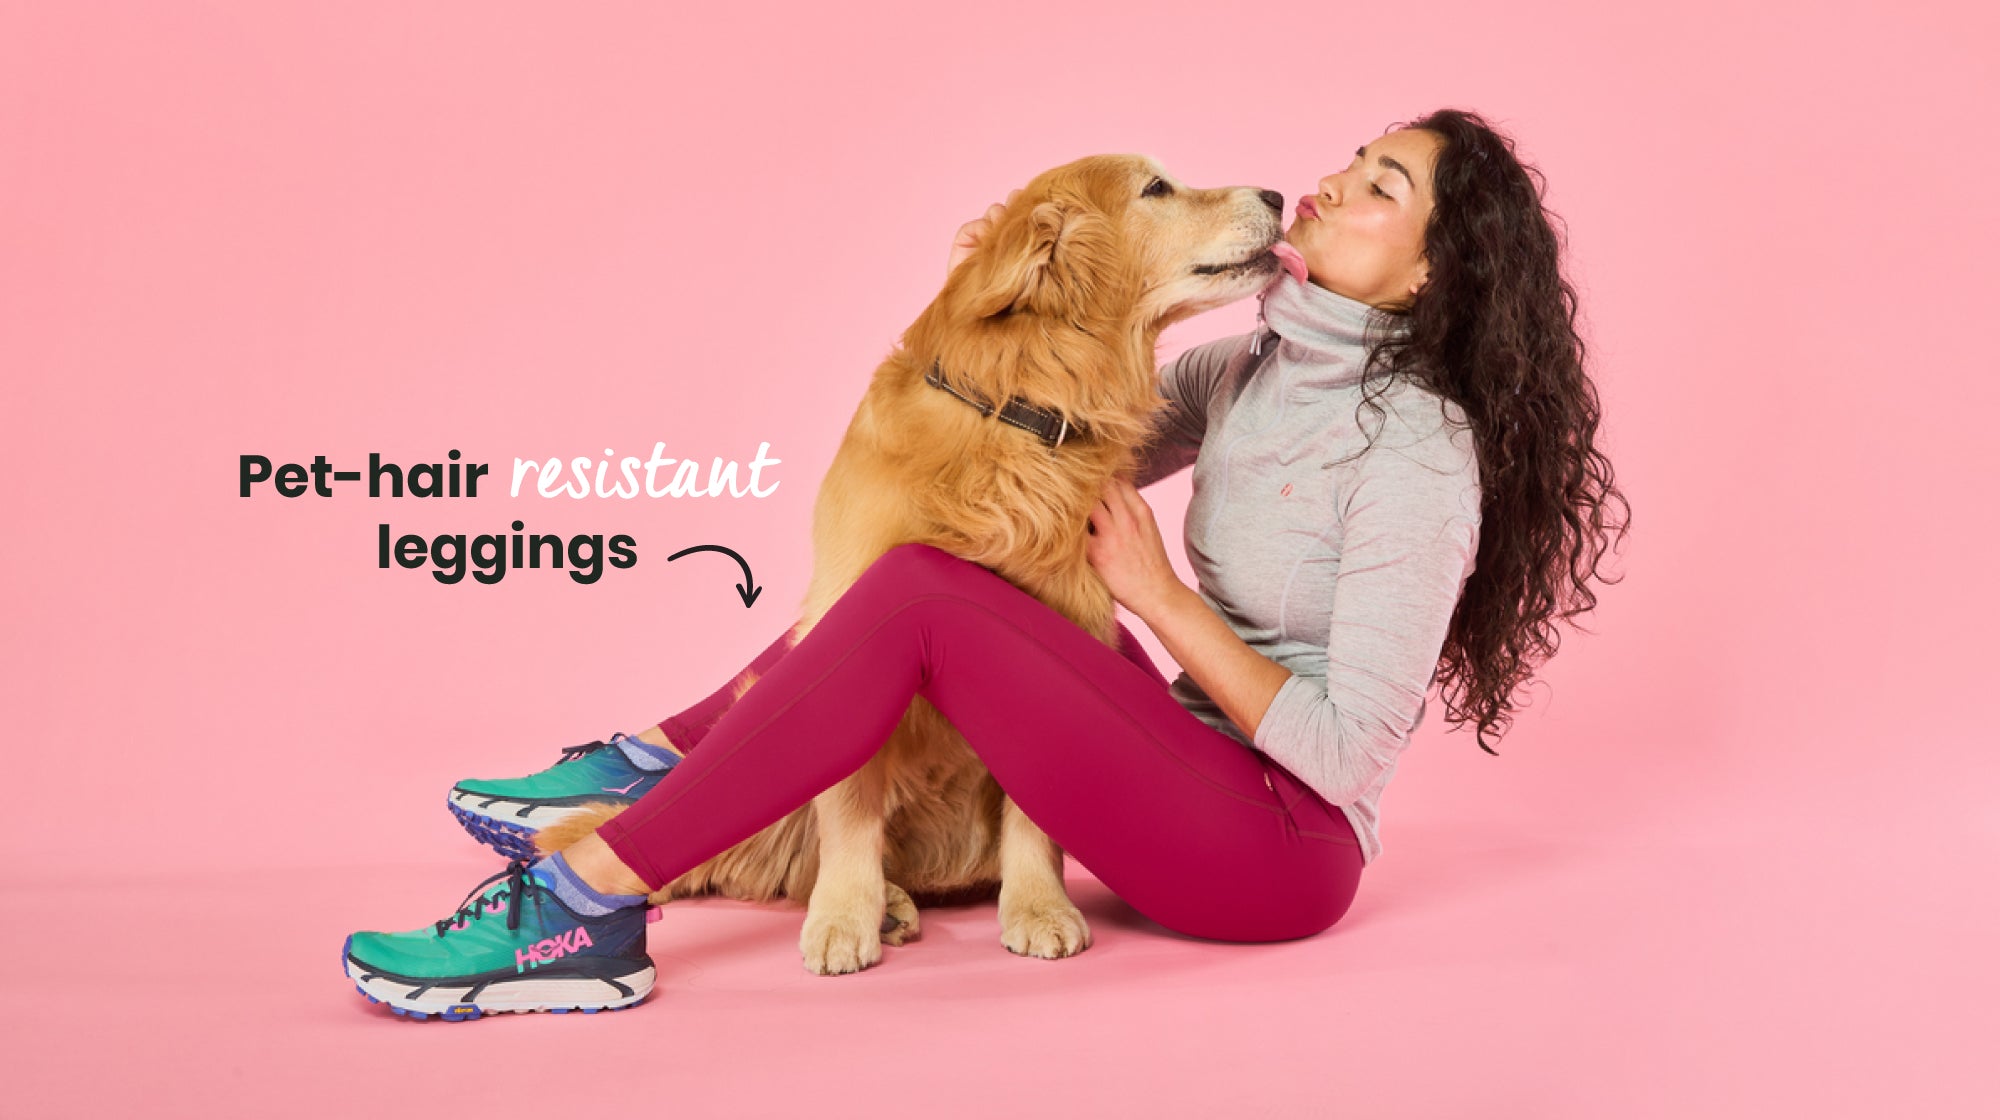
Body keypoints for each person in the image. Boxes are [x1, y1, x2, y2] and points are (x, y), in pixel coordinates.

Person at [342, 108, 1630, 1020]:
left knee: (919, 593)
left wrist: (1164, 602)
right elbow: (1023, 447)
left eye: (1381, 189)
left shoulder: (1419, 450)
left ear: (1430, 274)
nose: (1331, 185)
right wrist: (920, 394)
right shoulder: (1247, 370)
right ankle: (666, 757)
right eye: (1353, 159)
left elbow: (1351, 756)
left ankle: (587, 900)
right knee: (939, 551)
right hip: (1175, 762)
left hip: (1273, 848)